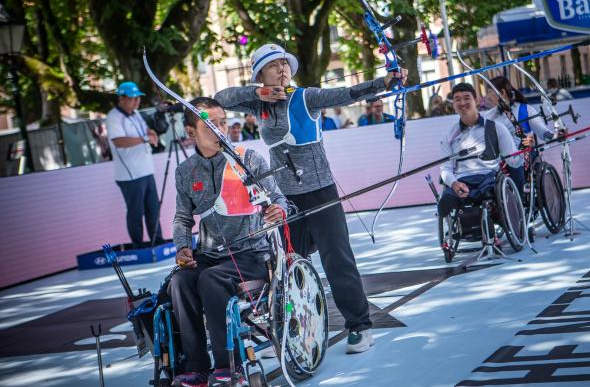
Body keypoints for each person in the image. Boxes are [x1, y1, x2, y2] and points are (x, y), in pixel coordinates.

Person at [215, 43, 408, 354]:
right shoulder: (258, 105)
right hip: (285, 198)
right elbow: (220, 99)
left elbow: (347, 94)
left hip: (320, 193)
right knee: (284, 266)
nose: (281, 69)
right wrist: (259, 94)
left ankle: (360, 325)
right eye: (273, 65)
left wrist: (384, 82)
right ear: (260, 74)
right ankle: (288, 329)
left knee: (337, 259)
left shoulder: (306, 97)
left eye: (284, 64)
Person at [169, 97, 287, 387]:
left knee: (210, 279)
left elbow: (279, 198)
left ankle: (227, 365)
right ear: (191, 132)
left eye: (223, 122)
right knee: (181, 281)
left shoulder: (248, 158)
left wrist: (277, 210)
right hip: (210, 254)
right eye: (210, 125)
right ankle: (196, 367)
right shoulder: (185, 172)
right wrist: (183, 247)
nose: (220, 128)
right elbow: (182, 218)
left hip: (253, 254)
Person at [437, 83, 523, 218]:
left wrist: (524, 150)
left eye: (466, 98)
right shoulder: (449, 136)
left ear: (476, 101)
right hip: (462, 180)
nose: (462, 102)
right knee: (448, 193)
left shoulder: (497, 128)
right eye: (457, 99)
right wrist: (454, 183)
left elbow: (513, 161)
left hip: (488, 175)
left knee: (488, 188)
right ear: (453, 104)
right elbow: (445, 169)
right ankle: (450, 201)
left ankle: (475, 200)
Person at [105, 81, 164, 247]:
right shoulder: (113, 117)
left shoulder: (136, 113)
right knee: (136, 213)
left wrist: (151, 133)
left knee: (153, 210)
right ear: (121, 98)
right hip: (130, 174)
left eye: (138, 98)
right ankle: (138, 246)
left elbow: (146, 131)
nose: (137, 101)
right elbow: (119, 141)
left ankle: (157, 242)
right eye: (133, 98)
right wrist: (145, 139)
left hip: (146, 170)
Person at [482, 77, 554, 150]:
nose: (488, 96)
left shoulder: (525, 110)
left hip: (526, 158)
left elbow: (543, 133)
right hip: (502, 159)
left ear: (502, 93)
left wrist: (556, 136)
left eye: (490, 92)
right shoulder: (489, 116)